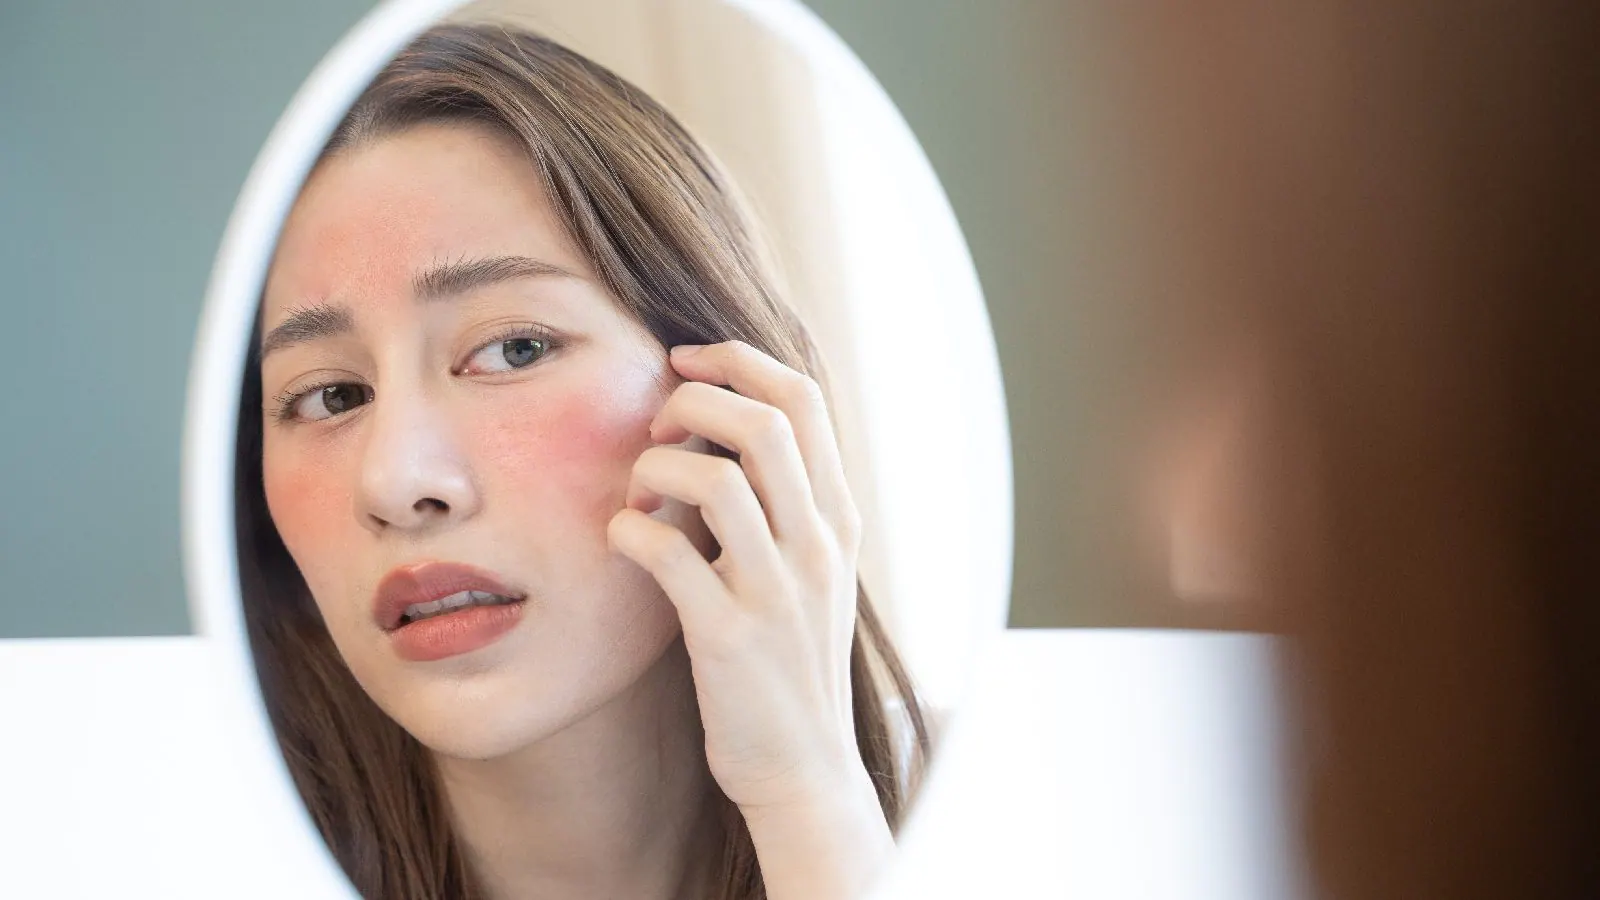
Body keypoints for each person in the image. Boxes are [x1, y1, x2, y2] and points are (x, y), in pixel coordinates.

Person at [232, 22, 928, 900]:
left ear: (728, 396)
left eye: (514, 349)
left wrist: (808, 798)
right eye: (332, 396)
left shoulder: (1014, 814)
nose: (398, 482)